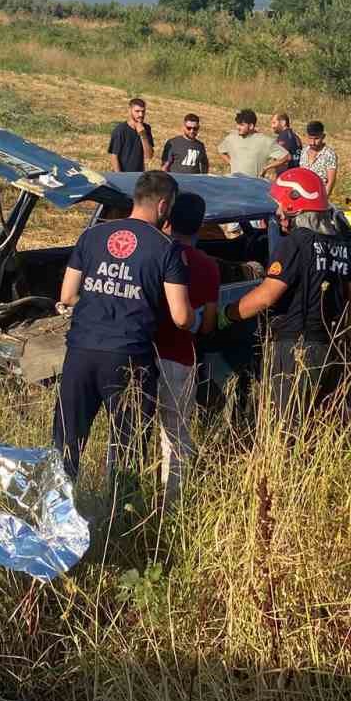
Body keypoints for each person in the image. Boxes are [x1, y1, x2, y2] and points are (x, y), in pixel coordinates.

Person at [52, 170, 193, 485]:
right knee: (128, 449)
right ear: (163, 206)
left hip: (81, 352)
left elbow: (67, 295)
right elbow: (181, 316)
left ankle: (55, 516)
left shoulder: (91, 235)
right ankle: (120, 519)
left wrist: (101, 299)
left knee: (66, 445)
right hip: (129, 357)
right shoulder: (166, 248)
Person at [222, 167, 351, 429]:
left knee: (282, 423)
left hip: (293, 346)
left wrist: (226, 314)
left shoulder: (294, 244)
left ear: (294, 206)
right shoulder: (338, 245)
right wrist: (346, 335)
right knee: (315, 421)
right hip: (328, 346)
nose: (277, 213)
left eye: (279, 205)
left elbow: (266, 296)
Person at [154, 192, 220, 508]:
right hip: (180, 359)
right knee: (175, 436)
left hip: (139, 355)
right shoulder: (207, 266)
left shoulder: (152, 252)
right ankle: (171, 504)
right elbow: (207, 324)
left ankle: (122, 496)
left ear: (167, 219)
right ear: (201, 225)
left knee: (126, 432)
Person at [218, 109, 288, 179]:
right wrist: (231, 162)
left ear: (251, 126)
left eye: (242, 125)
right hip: (234, 183)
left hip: (253, 185)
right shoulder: (232, 138)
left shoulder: (264, 141)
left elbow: (286, 156)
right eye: (237, 124)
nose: (238, 127)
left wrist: (266, 168)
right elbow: (221, 151)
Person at [108, 97, 155, 172]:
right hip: (123, 174)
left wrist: (143, 135)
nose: (141, 114)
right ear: (130, 111)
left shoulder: (146, 128)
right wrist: (120, 177)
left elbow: (149, 156)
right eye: (137, 111)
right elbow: (114, 157)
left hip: (138, 175)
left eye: (143, 111)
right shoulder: (120, 130)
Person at [300, 121, 338, 196]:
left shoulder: (329, 154)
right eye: (310, 138)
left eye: (316, 139)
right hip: (303, 194)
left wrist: (324, 199)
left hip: (319, 195)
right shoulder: (304, 151)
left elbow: (330, 182)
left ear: (323, 136)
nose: (313, 142)